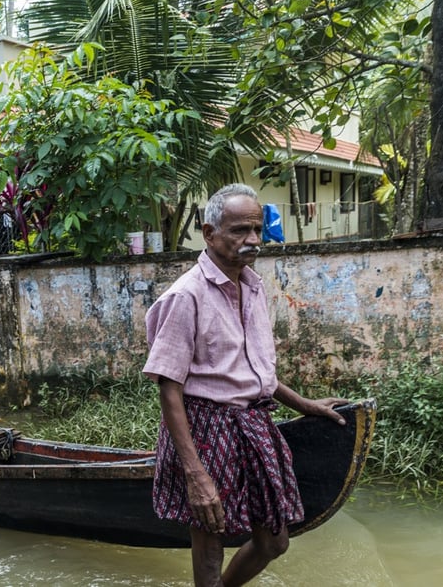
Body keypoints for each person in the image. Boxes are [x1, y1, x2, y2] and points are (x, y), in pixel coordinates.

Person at [142, 184, 348, 587]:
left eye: (256, 228)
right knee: (210, 541)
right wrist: (195, 474)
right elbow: (169, 389)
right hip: (204, 426)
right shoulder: (186, 296)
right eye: (239, 230)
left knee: (274, 541)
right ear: (209, 232)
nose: (252, 239)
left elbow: (253, 371)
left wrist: (304, 405)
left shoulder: (253, 286)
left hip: (253, 425)